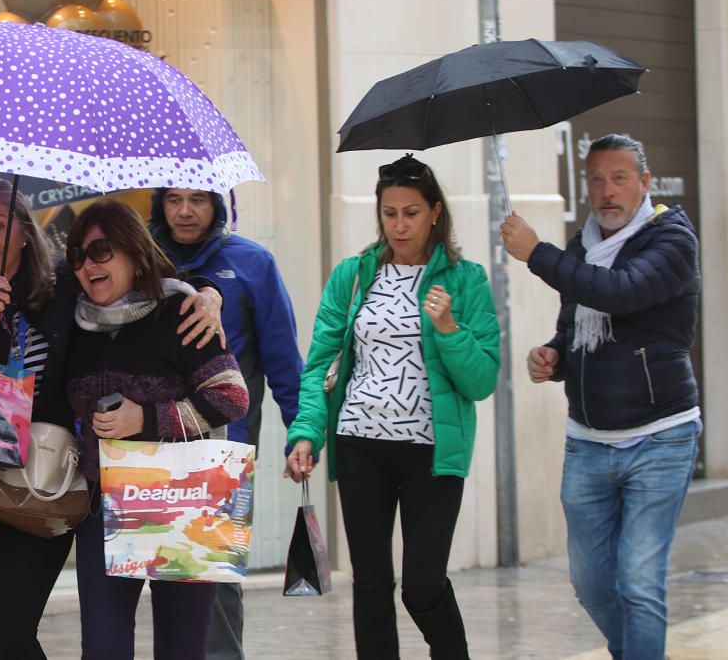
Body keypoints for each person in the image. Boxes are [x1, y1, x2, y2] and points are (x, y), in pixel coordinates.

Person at [0, 177, 225, 660]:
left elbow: (134, 278)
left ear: (25, 232)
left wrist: (207, 292)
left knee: (10, 629)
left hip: (43, 486)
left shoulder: (63, 290)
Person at [286, 155, 500, 660]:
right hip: (360, 444)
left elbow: (481, 381)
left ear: (435, 213)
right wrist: (307, 433)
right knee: (371, 584)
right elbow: (319, 365)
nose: (399, 225)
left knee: (422, 587)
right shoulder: (353, 276)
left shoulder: (466, 281)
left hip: (432, 452)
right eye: (389, 212)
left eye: (411, 212)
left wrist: (449, 329)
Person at [501, 133, 701, 660]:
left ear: (644, 182)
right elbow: (575, 327)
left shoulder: (672, 240)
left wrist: (535, 254)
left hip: (660, 437)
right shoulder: (584, 247)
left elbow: (621, 293)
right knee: (591, 585)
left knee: (638, 581)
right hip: (587, 442)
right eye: (596, 180)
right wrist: (554, 356)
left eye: (619, 178)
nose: (606, 191)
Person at [64, 199, 250, 660]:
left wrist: (144, 420)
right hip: (103, 505)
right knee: (103, 650)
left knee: (182, 649)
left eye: (102, 250)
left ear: (133, 251)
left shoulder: (181, 311)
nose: (88, 265)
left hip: (186, 500)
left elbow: (232, 397)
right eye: (78, 256)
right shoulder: (74, 323)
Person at [149, 187, 304, 660]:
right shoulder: (141, 261)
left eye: (198, 199)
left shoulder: (252, 263)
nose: (185, 210)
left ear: (218, 204)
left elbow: (282, 359)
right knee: (165, 584)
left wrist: (301, 433)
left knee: (214, 587)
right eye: (173, 199)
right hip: (150, 446)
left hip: (223, 447)